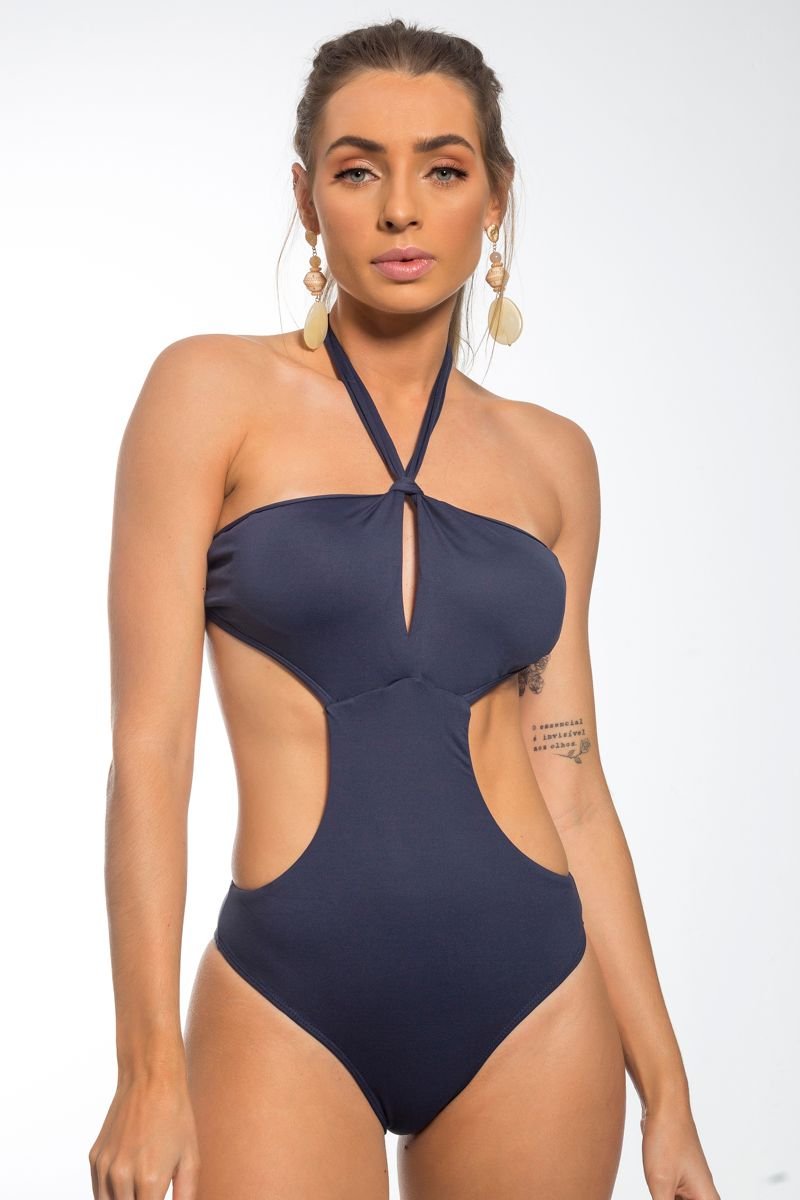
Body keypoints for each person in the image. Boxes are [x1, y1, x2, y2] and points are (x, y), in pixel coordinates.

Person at [89, 17, 721, 1200]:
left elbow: (571, 780)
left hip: (536, 1001)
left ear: (494, 198)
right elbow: (150, 749)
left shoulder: (553, 461)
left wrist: (669, 1091)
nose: (397, 210)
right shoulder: (208, 393)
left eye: (440, 169)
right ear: (305, 195)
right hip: (284, 998)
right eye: (355, 170)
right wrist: (146, 1068)